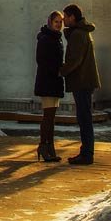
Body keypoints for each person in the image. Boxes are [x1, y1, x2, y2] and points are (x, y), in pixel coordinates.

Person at [59, 3, 101, 165]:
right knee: (85, 117)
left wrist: (62, 71)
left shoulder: (78, 34)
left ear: (72, 17)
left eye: (65, 17)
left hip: (82, 80)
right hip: (85, 80)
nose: (63, 20)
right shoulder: (83, 32)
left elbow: (75, 60)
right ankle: (86, 152)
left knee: (84, 118)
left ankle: (87, 154)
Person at [33, 11, 65, 162]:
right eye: (56, 22)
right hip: (47, 81)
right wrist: (57, 70)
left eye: (60, 22)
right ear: (50, 22)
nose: (58, 24)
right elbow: (41, 60)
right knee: (48, 117)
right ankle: (44, 146)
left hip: (54, 81)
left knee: (51, 117)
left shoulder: (57, 38)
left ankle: (50, 147)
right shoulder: (46, 39)